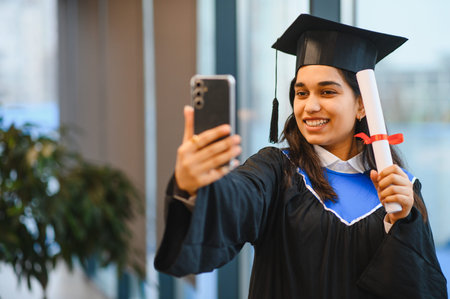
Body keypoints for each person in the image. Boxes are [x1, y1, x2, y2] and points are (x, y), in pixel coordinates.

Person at [154, 14, 448, 298]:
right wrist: (196, 185)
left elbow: (423, 289)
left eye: (327, 92)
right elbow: (239, 196)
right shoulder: (276, 171)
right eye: (302, 92)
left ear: (362, 106)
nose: (310, 106)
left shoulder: (400, 188)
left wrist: (401, 221)